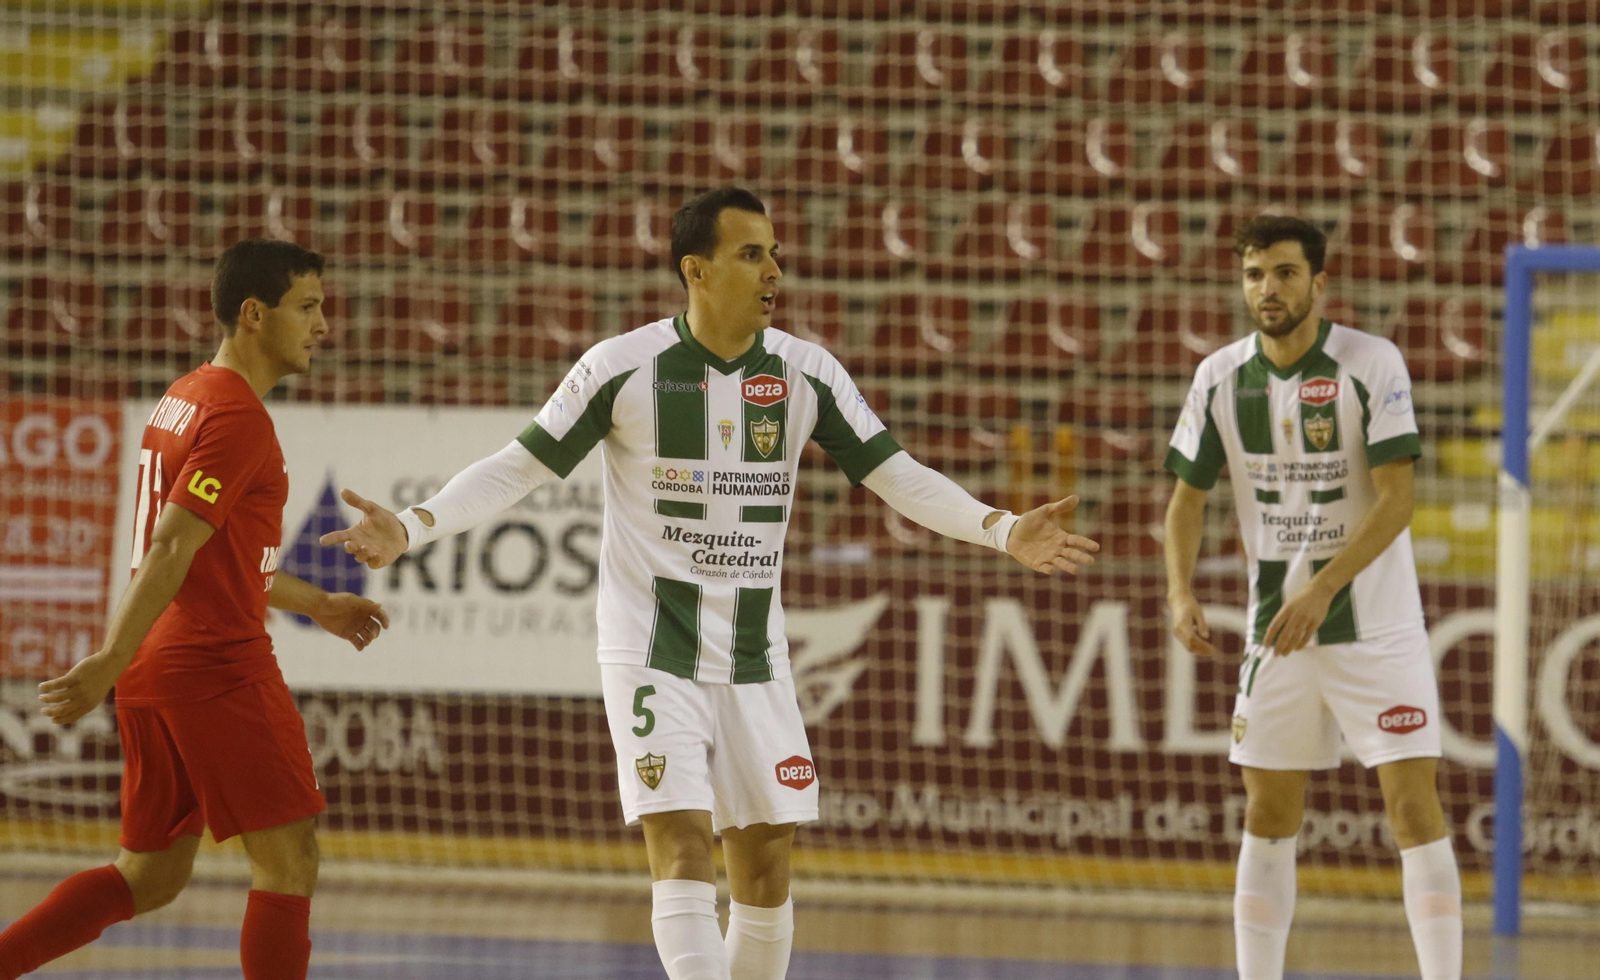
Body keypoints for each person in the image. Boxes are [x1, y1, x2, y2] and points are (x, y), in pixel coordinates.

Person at [320, 187, 1100, 980]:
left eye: (775, 253)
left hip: (756, 655)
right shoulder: (621, 367)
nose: (775, 270)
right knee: (683, 845)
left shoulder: (805, 371)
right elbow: (519, 467)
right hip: (650, 651)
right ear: (696, 269)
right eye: (752, 254)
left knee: (764, 864)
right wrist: (414, 525)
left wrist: (998, 527)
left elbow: (894, 474)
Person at [1, 240, 389, 980]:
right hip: (212, 660)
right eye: (307, 307)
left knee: (150, 877)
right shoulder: (237, 417)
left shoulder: (185, 395)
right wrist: (105, 661)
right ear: (253, 313)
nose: (324, 326)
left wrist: (316, 606)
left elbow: (218, 554)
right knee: (289, 860)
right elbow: (172, 549)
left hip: (159, 659)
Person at [1164, 215, 1460, 980]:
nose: (1269, 289)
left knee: (1412, 806)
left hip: (1376, 624)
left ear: (1319, 283)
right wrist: (1179, 592)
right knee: (1267, 815)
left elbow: (1398, 500)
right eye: (1255, 274)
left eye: (1286, 273)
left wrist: (1325, 589)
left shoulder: (1372, 362)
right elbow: (1187, 500)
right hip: (1277, 629)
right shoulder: (1219, 376)